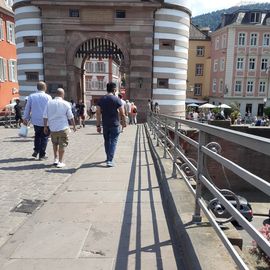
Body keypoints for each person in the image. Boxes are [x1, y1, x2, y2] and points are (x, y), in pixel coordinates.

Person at [43, 88, 76, 168]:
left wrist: (45, 126)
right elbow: (70, 116)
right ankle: (60, 162)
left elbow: (45, 116)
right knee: (62, 144)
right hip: (63, 127)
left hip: (53, 128)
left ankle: (55, 159)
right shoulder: (66, 103)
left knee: (55, 144)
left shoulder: (49, 103)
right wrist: (74, 126)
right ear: (62, 94)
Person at [96, 82, 126, 167]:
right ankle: (109, 160)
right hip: (115, 124)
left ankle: (108, 157)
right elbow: (122, 113)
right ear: (114, 89)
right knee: (113, 141)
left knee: (106, 141)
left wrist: (98, 125)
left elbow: (98, 113)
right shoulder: (117, 99)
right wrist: (124, 123)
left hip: (105, 124)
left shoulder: (101, 99)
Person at [23, 81, 52, 160]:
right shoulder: (48, 97)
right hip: (46, 121)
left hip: (35, 120)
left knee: (37, 136)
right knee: (45, 137)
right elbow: (50, 109)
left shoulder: (31, 96)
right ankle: (42, 154)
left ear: (37, 87)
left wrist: (25, 118)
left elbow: (27, 108)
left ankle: (36, 150)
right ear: (45, 87)